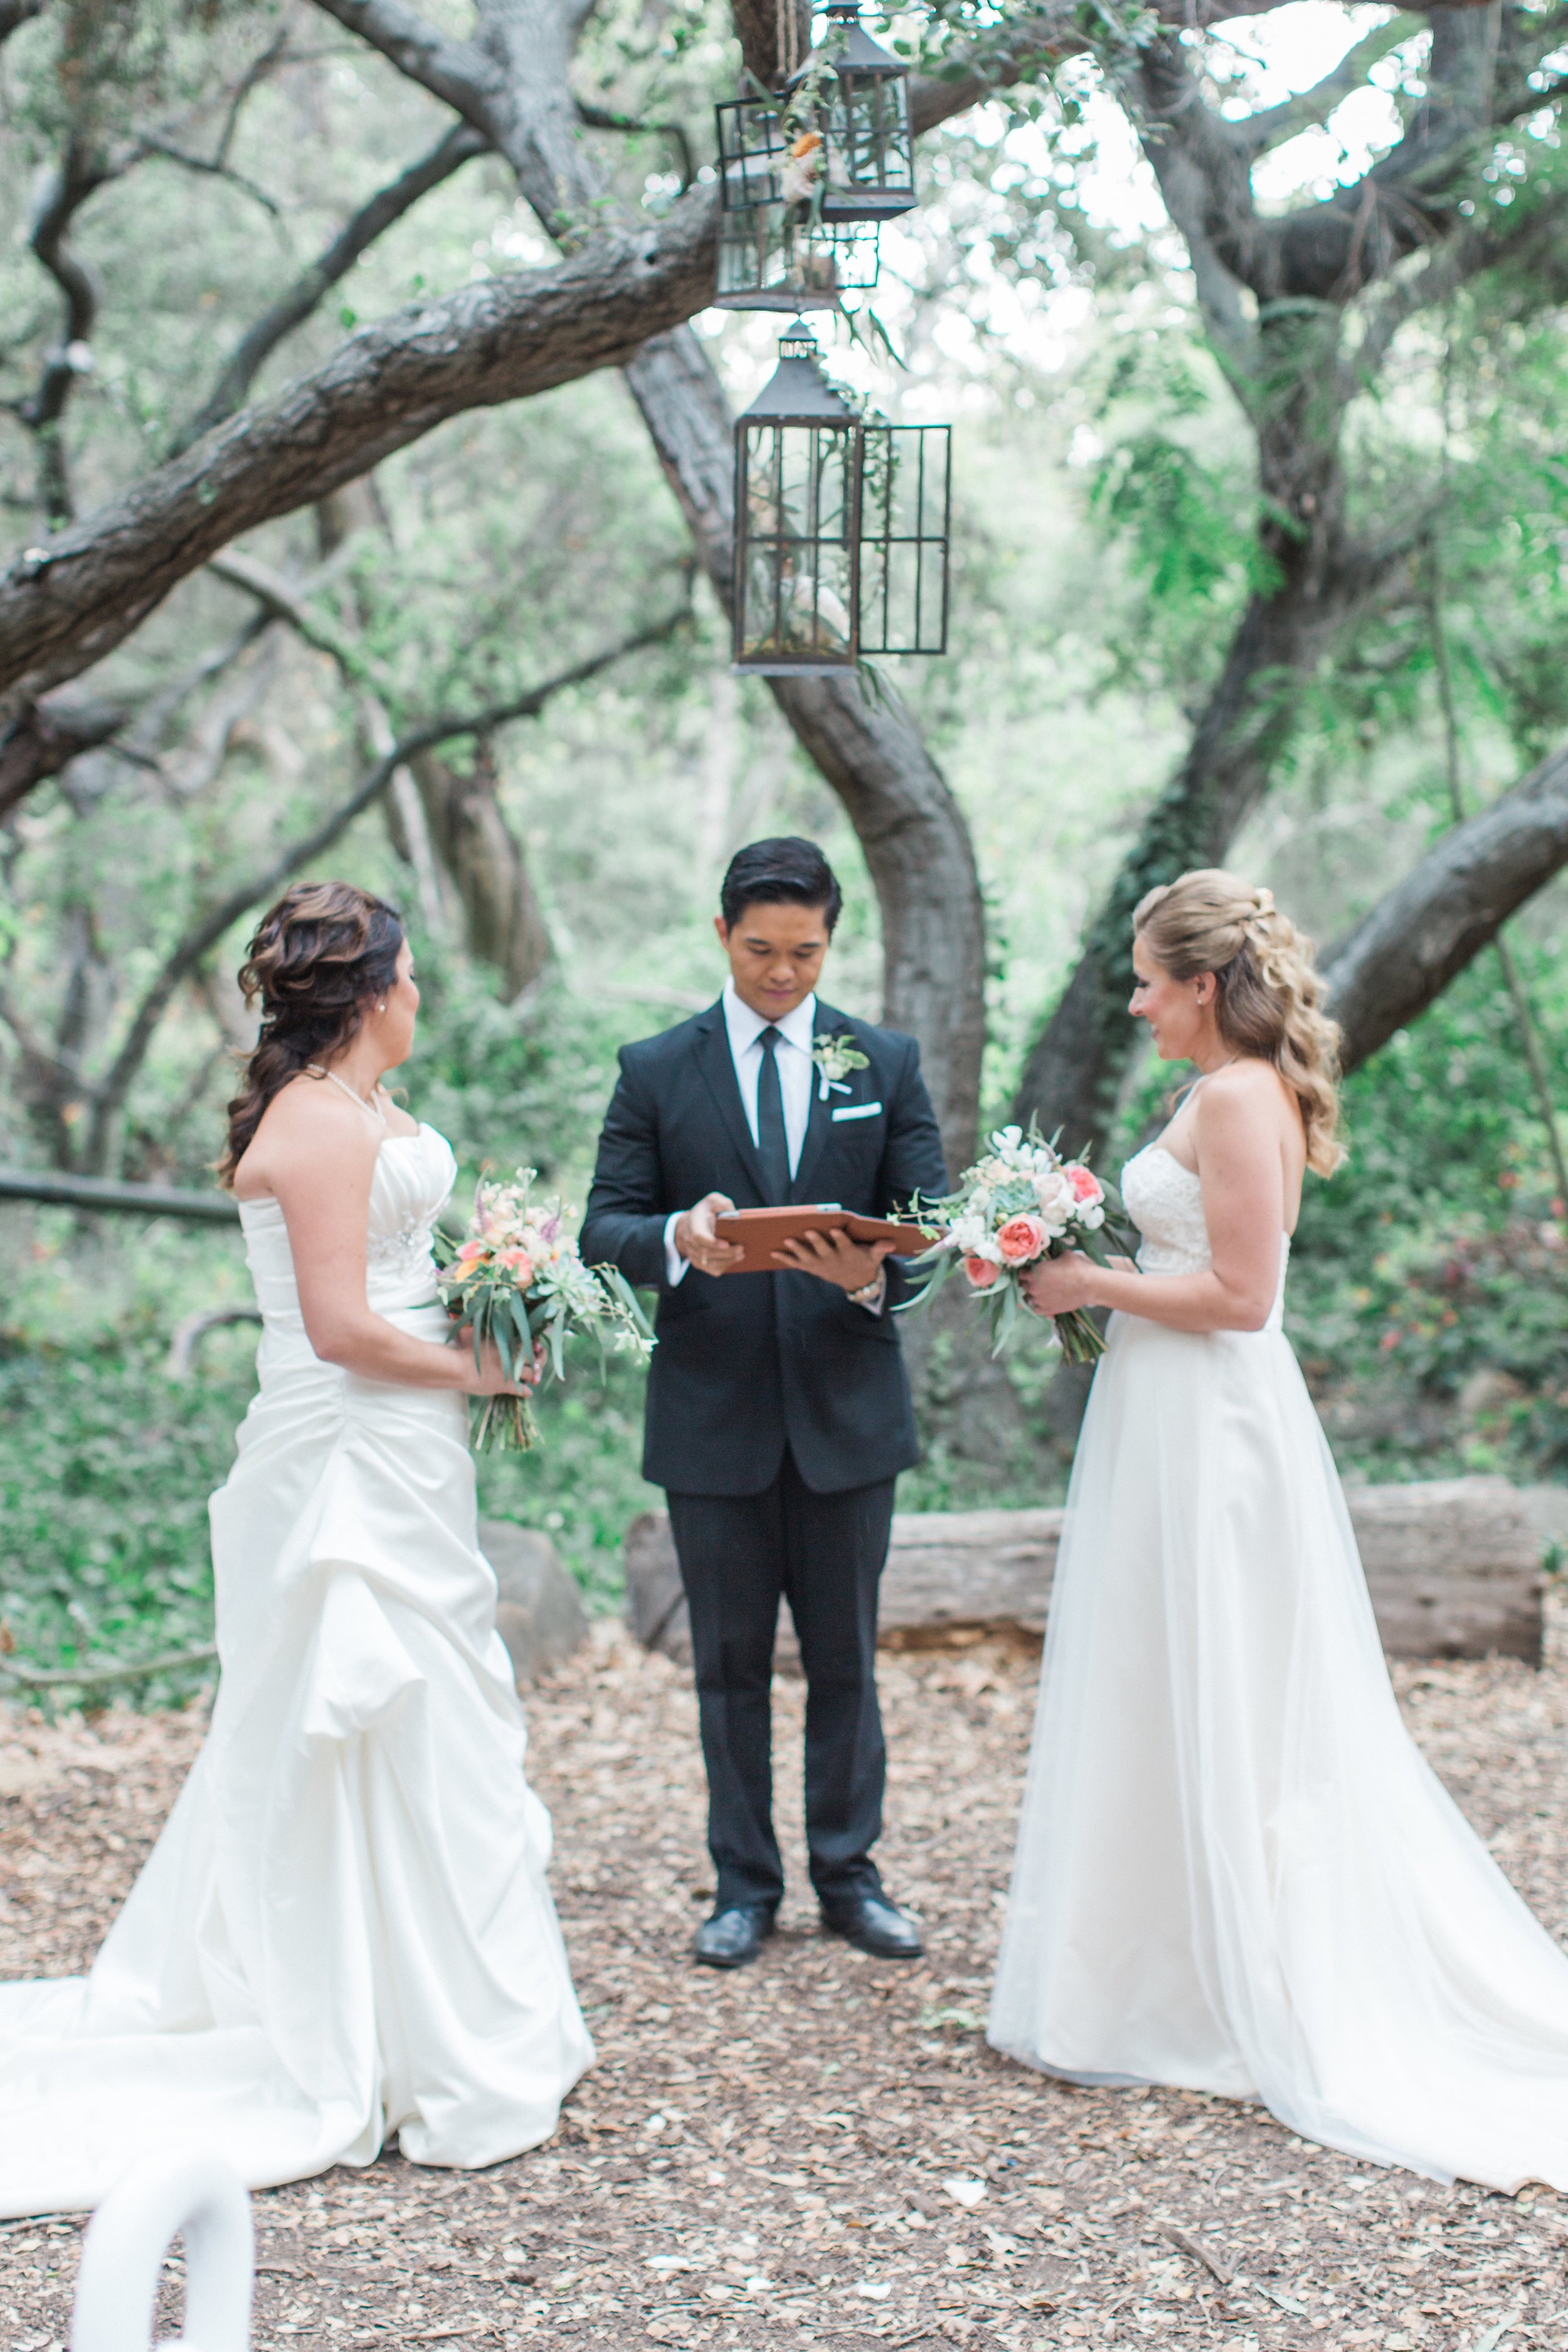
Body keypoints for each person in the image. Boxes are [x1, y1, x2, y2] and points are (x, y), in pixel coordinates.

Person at [0, 882, 592, 2217]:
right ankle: (363, 2030)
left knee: (424, 1709)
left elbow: (399, 1283)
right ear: (371, 990)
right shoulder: (318, 1124)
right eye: (413, 973)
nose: (424, 991)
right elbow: (336, 1325)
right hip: (344, 1455)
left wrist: (492, 1313)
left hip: (405, 1446)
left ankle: (430, 2010)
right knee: (353, 1705)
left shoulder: (366, 1111)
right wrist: (477, 1368)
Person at [987, 867, 1568, 2190]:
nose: (1132, 1003)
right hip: (1160, 1412)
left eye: (1146, 980)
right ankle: (1158, 1971)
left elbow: (1243, 1297)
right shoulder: (1212, 1094)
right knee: (1161, 1682)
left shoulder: (1240, 1096)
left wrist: (1085, 1278)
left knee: (1234, 1692)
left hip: (1214, 1428)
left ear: (1203, 984)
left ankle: (1233, 1981)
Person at [581, 838, 948, 1969]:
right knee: (729, 1668)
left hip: (847, 1415)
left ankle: (851, 1875)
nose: (783, 973)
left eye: (806, 951)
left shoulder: (882, 1061)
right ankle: (744, 1885)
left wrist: (877, 1272)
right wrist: (680, 1241)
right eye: (760, 950)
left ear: (834, 940)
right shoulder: (655, 1068)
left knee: (846, 1660)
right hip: (712, 1416)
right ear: (721, 935)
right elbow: (604, 1226)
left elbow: (930, 1221)